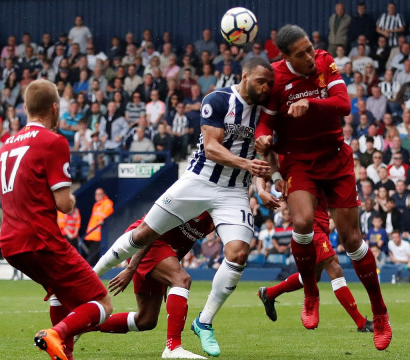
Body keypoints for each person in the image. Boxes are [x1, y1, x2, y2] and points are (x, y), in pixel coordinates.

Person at [92, 57, 274, 357]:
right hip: (197, 184)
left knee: (147, 319)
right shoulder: (218, 100)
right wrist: (132, 266)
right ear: (244, 76)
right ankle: (90, 282)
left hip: (233, 192)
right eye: (260, 82)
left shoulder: (266, 114)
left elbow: (264, 155)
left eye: (270, 83)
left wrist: (262, 188)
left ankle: (203, 322)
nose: (266, 88)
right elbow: (214, 149)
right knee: (161, 255)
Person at [254, 25, 391, 350]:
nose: (309, 56)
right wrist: (262, 135)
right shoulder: (275, 79)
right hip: (299, 163)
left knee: (352, 240)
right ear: (285, 57)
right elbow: (266, 122)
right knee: (301, 223)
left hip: (336, 159)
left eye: (310, 47)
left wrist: (311, 104)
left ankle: (380, 313)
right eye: (300, 53)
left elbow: (344, 104)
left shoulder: (325, 61)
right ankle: (311, 293)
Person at [0, 79, 113, 360]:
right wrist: (73, 199)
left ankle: (64, 353)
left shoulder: (5, 148)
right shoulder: (53, 141)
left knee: (58, 293)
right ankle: (56, 334)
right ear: (54, 107)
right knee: (102, 303)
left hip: (11, 246)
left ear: (25, 108)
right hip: (41, 239)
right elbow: (64, 205)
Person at [255, 155, 373, 333]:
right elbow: (262, 168)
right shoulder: (287, 154)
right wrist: (261, 191)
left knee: (312, 276)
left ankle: (269, 293)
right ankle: (361, 323)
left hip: (322, 220)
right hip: (309, 225)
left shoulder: (321, 152)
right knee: (335, 268)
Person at [86, 213, 214, 359]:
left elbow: (190, 239)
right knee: (182, 280)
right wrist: (130, 269)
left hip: (159, 246)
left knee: (146, 320)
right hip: (142, 241)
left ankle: (83, 325)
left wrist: (170, 274)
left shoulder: (214, 218)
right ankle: (173, 347)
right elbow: (151, 230)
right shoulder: (192, 198)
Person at [85, 187, 114, 266]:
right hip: (91, 234)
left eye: (99, 194)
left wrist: (101, 219)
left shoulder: (107, 202)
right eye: (96, 194)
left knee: (93, 257)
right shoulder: (96, 205)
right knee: (91, 256)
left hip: (98, 235)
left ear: (104, 195)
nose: (97, 196)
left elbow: (109, 209)